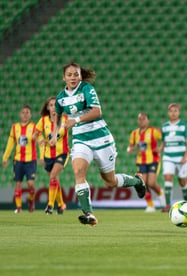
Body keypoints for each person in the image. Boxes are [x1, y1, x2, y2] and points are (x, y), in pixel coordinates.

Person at [50, 62, 146, 226]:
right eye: (69, 74)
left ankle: (137, 181)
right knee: (79, 172)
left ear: (80, 76)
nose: (73, 77)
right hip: (81, 140)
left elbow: (97, 111)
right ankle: (89, 213)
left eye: (76, 74)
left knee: (110, 182)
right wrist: (54, 134)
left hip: (101, 138)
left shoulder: (87, 89)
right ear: (63, 77)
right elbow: (57, 116)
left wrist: (76, 120)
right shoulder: (60, 98)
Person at [33, 96, 68, 215]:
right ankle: (62, 204)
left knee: (53, 176)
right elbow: (35, 135)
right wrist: (40, 140)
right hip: (48, 155)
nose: (54, 107)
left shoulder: (65, 119)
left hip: (62, 153)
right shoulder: (43, 121)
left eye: (56, 105)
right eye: (51, 105)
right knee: (54, 179)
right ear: (47, 107)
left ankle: (50, 205)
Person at [2, 104, 38, 213]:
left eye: (27, 112)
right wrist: (5, 157)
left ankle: (31, 200)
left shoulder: (34, 127)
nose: (25, 114)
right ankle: (18, 207)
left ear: (30, 114)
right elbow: (10, 143)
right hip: (18, 160)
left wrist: (42, 155)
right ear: (20, 114)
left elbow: (39, 141)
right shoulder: (15, 127)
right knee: (18, 183)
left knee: (31, 184)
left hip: (31, 160)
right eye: (23, 112)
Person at [127, 112, 166, 212]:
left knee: (151, 183)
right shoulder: (134, 133)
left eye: (143, 119)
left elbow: (165, 138)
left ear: (148, 120)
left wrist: (161, 148)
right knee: (143, 183)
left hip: (153, 160)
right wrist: (130, 149)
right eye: (139, 119)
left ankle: (161, 194)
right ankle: (150, 205)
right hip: (141, 161)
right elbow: (131, 145)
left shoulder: (154, 131)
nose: (141, 121)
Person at [159, 103, 187, 212]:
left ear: (179, 112)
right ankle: (168, 205)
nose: (173, 113)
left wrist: (185, 157)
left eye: (175, 111)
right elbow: (164, 142)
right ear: (168, 113)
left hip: (181, 157)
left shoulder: (184, 126)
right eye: (171, 111)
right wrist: (160, 150)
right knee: (168, 178)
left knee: (182, 181)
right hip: (168, 157)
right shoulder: (164, 127)